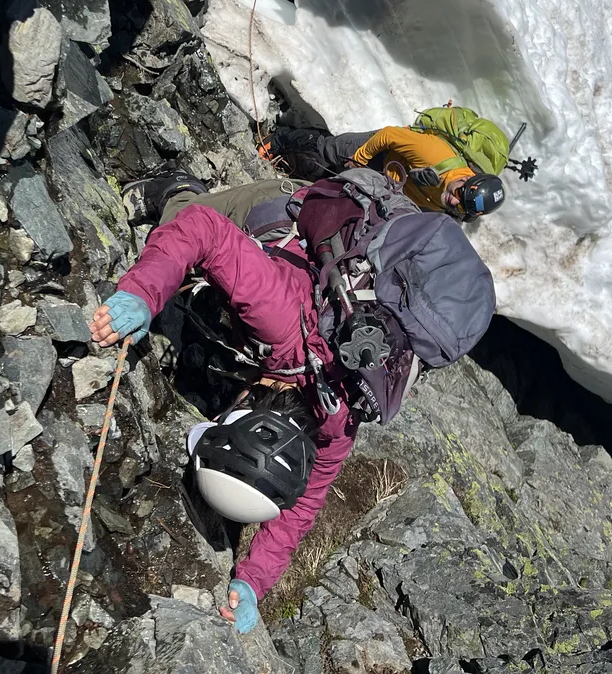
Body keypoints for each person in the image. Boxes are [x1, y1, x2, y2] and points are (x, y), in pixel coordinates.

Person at [89, 176, 361, 634]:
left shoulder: (337, 424)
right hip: (279, 214)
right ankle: (175, 184)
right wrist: (144, 293)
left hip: (314, 279)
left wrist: (253, 580)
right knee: (178, 221)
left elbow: (299, 511)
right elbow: (203, 229)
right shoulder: (280, 323)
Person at [260, 124, 506, 220]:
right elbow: (389, 135)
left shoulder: (463, 207)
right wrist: (361, 157)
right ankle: (278, 139)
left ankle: (302, 173)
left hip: (390, 185)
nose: (454, 200)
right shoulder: (434, 155)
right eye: (459, 192)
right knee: (331, 150)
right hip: (382, 155)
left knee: (341, 186)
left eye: (460, 204)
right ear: (467, 178)